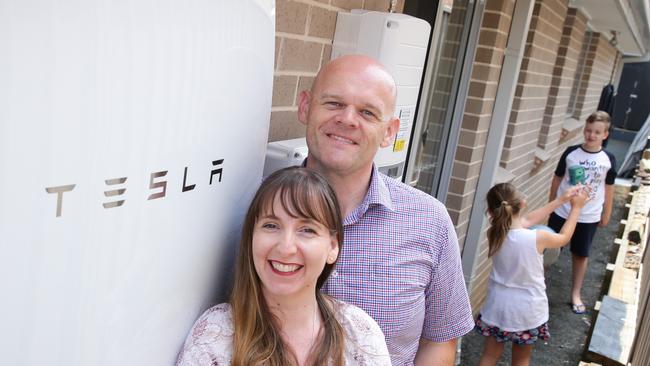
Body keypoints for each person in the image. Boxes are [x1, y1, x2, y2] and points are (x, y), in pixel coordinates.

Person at [296, 54, 473, 365]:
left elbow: (440, 341)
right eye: (334, 103)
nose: (348, 119)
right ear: (305, 106)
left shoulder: (429, 221)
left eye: (367, 112)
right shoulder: (256, 211)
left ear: (390, 131)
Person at [175, 167, 391, 365]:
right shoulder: (216, 335)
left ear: (332, 247)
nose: (286, 248)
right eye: (271, 225)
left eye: (307, 230)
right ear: (251, 237)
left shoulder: (361, 336)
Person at [476, 182, 588, 366]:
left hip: (497, 307)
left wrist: (561, 200)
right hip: (526, 311)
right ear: (522, 204)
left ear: (490, 211)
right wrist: (576, 208)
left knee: (489, 356)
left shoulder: (494, 233)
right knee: (521, 359)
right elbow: (564, 238)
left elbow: (526, 221)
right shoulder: (537, 238)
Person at [548, 110, 617, 314]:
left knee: (580, 253)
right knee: (549, 250)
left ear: (605, 134)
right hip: (562, 212)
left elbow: (609, 188)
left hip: (588, 215)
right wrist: (552, 203)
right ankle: (537, 288)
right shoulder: (571, 153)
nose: (591, 135)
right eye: (588, 130)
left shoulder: (608, 159)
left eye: (597, 132)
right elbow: (557, 178)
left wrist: (607, 213)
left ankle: (576, 293)